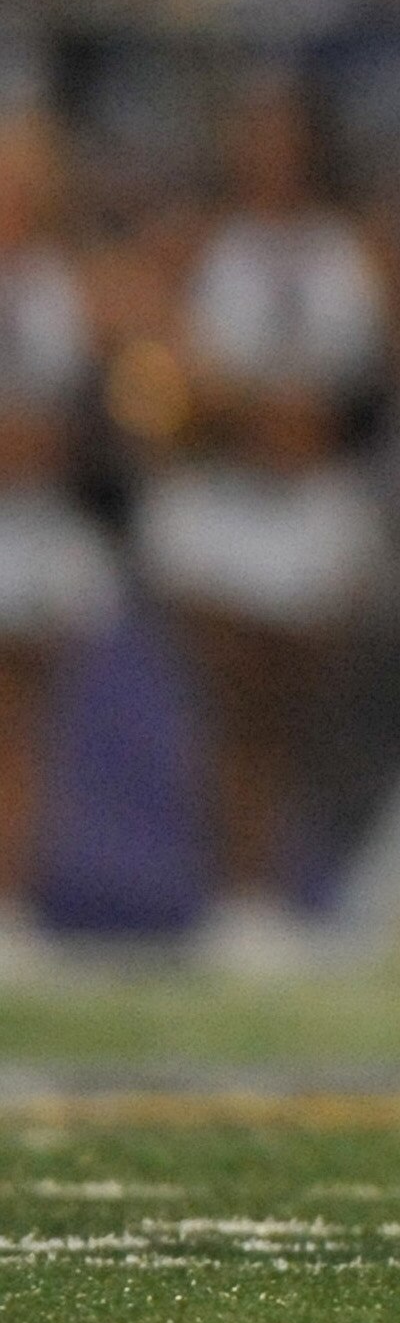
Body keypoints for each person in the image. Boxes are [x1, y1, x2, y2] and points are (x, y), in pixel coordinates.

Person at [137, 83, 398, 972]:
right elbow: (147, 371)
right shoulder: (199, 242)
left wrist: (332, 424)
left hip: (317, 502)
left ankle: (291, 888)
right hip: (222, 503)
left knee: (302, 711)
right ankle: (234, 893)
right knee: (233, 707)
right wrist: (228, 414)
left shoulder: (354, 247)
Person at [0, 115, 111, 970]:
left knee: (24, 723)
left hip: (36, 525)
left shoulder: (70, 283)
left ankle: (11, 897)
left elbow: (110, 408)